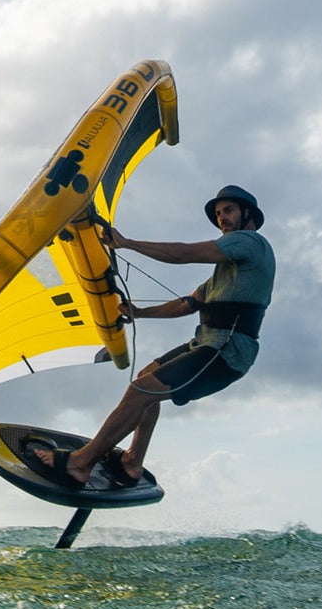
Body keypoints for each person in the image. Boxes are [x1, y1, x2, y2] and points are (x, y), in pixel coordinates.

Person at [32, 184, 276, 488]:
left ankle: (79, 464)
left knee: (141, 390)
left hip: (227, 351)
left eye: (228, 210)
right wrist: (139, 312)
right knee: (145, 378)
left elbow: (186, 253)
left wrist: (128, 243)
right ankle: (132, 462)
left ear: (247, 213)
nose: (221, 218)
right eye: (217, 213)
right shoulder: (226, 273)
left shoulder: (251, 242)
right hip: (207, 343)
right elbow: (187, 304)